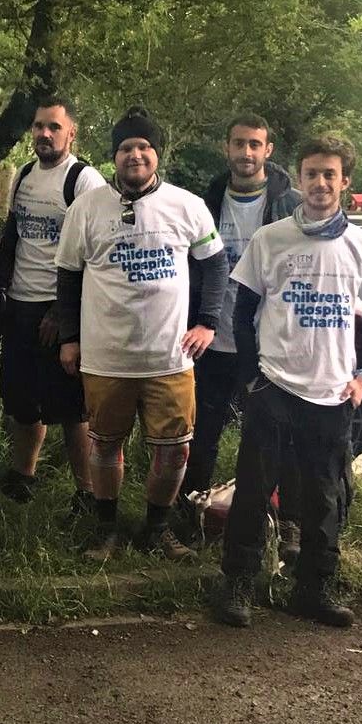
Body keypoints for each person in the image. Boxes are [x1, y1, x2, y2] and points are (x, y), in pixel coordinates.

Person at [215, 134, 362, 629]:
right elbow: (243, 313)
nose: (320, 183)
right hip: (275, 386)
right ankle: (238, 584)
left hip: (333, 393)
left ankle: (313, 589)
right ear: (299, 177)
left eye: (329, 174)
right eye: (312, 173)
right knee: (253, 491)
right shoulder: (271, 240)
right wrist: (252, 377)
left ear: (345, 181)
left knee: (323, 497)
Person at [54, 107, 227, 561]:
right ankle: (106, 529)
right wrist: (69, 338)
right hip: (106, 355)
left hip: (169, 356)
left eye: (144, 147)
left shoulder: (187, 205)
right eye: (126, 148)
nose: (135, 155)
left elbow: (215, 264)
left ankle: (157, 530)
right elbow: (68, 276)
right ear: (115, 156)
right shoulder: (86, 208)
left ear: (157, 154)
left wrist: (208, 322)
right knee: (105, 444)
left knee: (174, 452)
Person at [181, 114, 301, 547]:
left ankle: (276, 522)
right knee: (203, 433)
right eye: (238, 143)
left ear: (268, 150)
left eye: (254, 144)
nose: (246, 152)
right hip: (213, 339)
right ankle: (190, 516)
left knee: (271, 437)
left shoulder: (290, 204)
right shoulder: (205, 202)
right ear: (226, 147)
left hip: (268, 344)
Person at [0, 97, 105, 513]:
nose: (45, 133)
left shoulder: (84, 180)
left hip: (60, 310)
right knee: (23, 401)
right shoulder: (23, 175)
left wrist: (62, 311)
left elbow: (95, 254)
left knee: (72, 409)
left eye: (54, 127)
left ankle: (87, 492)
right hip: (21, 304)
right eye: (39, 126)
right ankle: (24, 475)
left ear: (71, 132)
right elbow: (14, 235)